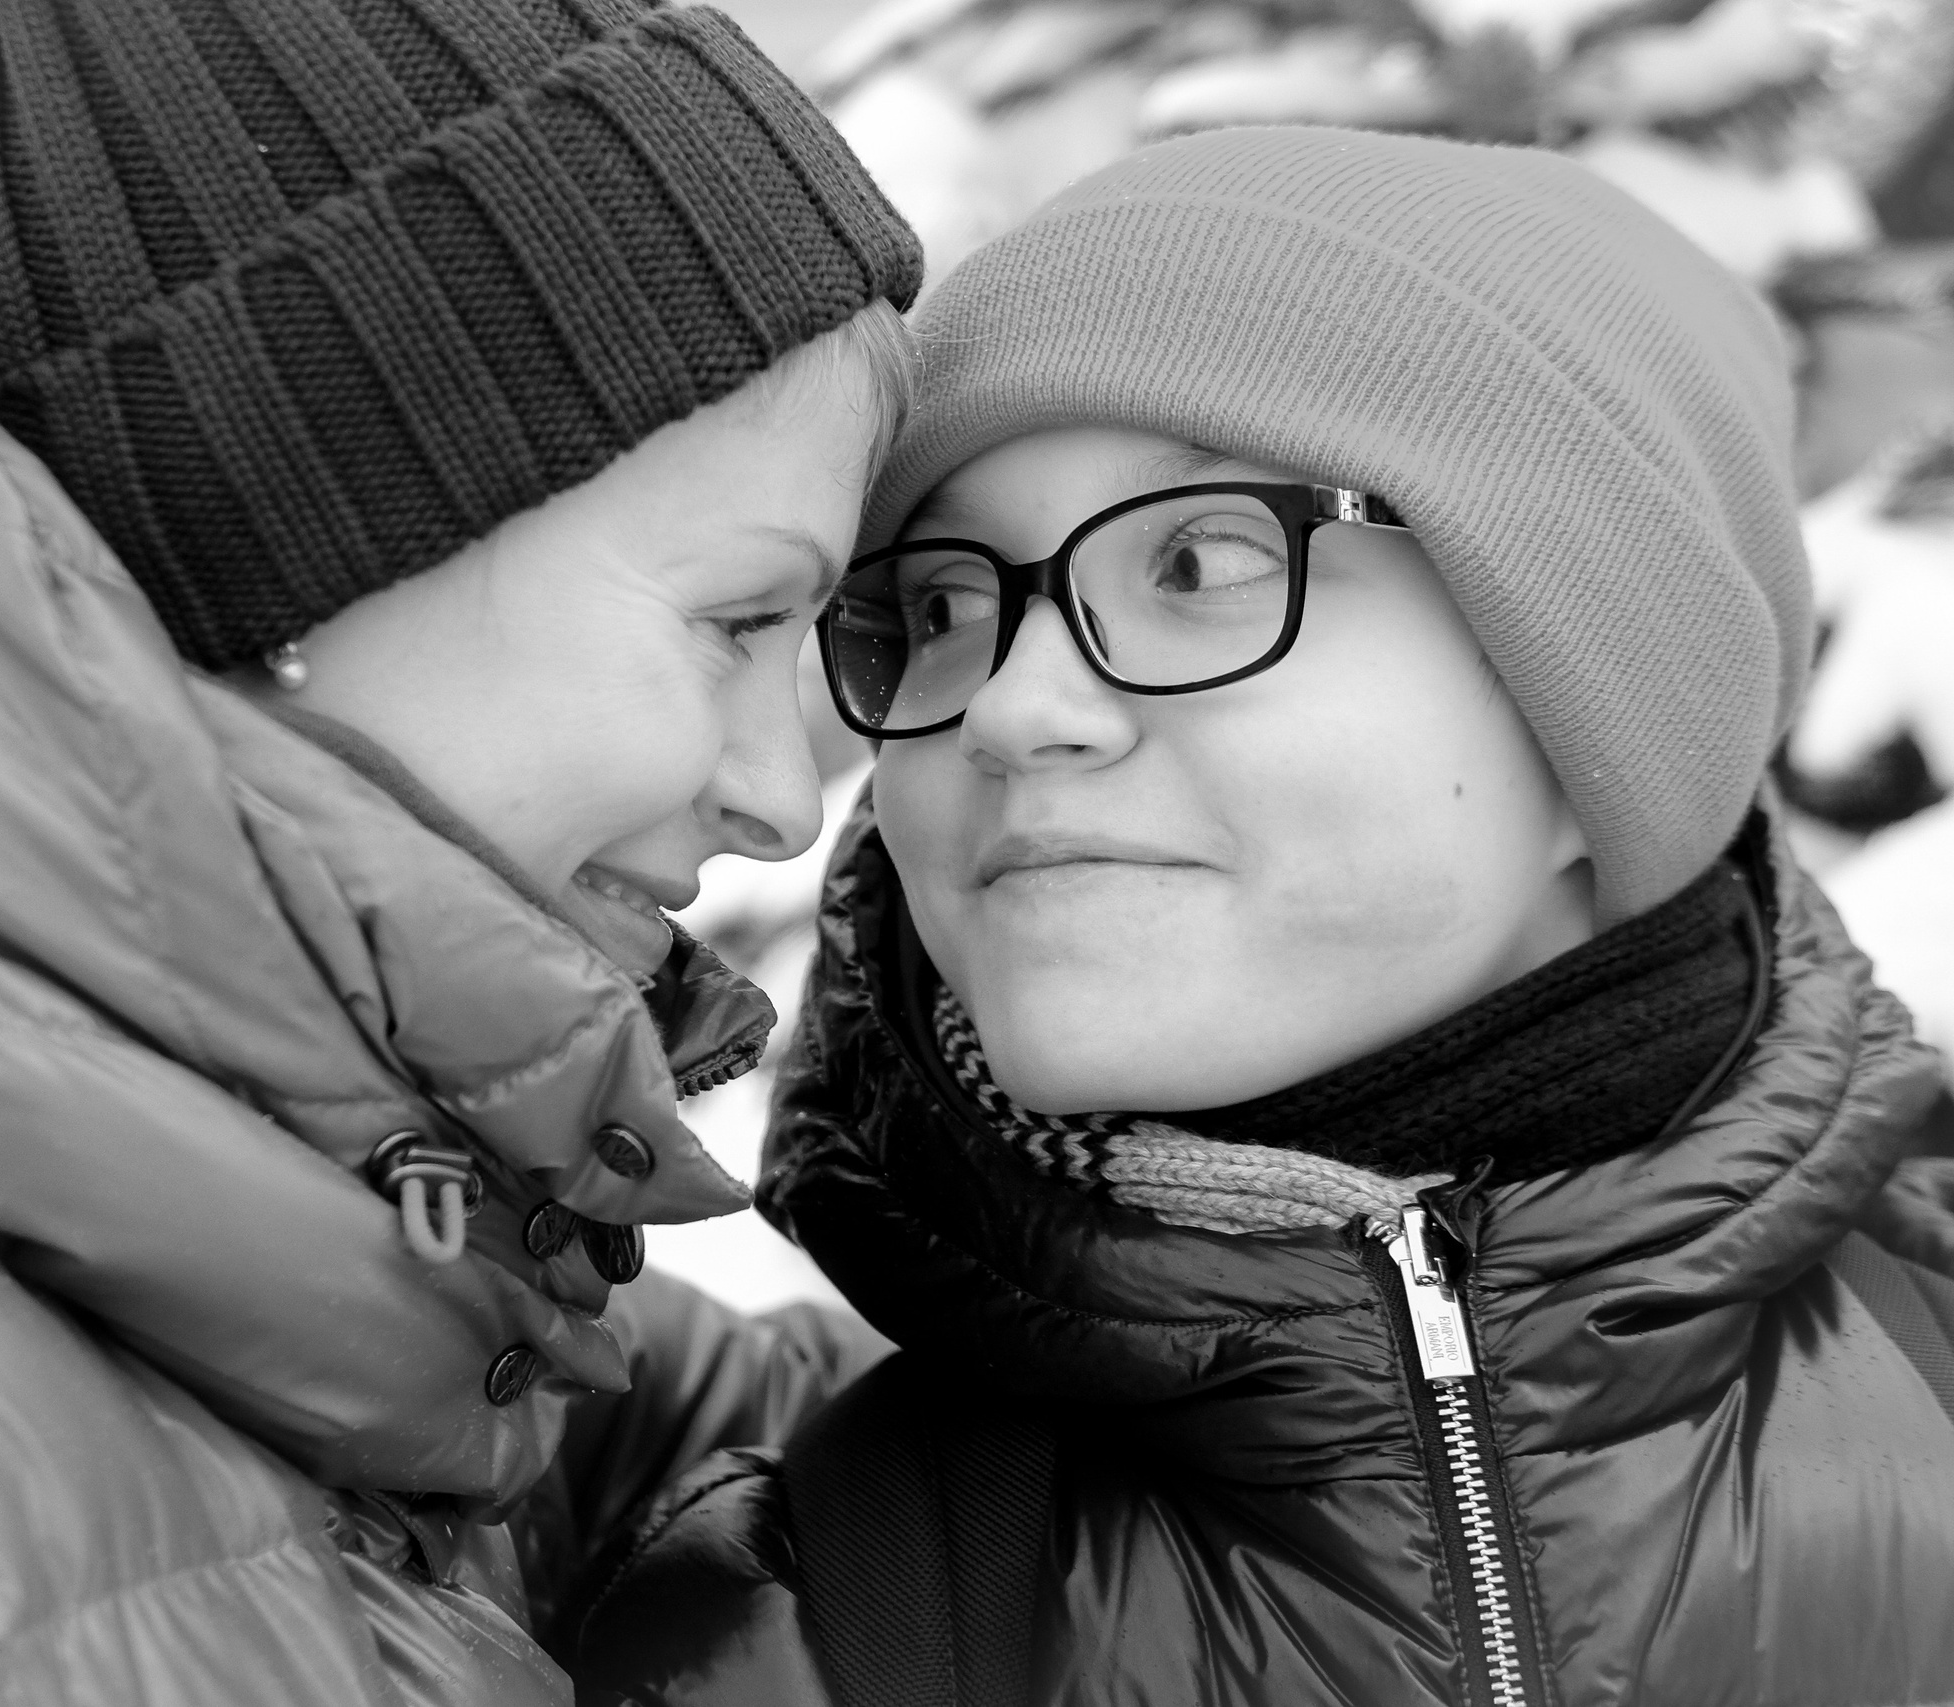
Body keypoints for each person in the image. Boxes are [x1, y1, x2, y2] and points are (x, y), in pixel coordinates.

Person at [0, 0, 921, 1701]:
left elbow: (721, 1433)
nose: (789, 795)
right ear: (302, 536)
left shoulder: (277, 1207)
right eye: (738, 618)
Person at [572, 126, 1954, 1706]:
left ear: (1597, 715)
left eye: (1202, 559)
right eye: (944, 606)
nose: (1013, 707)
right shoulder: (817, 1619)